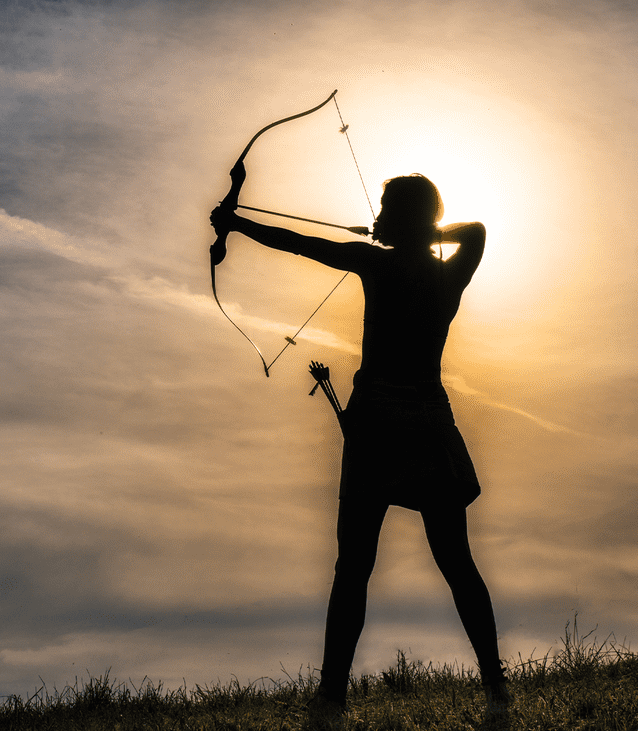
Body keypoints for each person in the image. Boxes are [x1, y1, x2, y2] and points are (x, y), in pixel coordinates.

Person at [210, 171, 509, 728]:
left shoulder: (381, 262)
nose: (378, 214)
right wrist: (415, 230)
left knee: (354, 567)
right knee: (455, 561)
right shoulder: (450, 272)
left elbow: (302, 244)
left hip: (379, 417)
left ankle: (329, 702)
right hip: (426, 414)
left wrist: (235, 222)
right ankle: (496, 689)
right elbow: (478, 230)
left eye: (387, 206)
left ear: (407, 217)